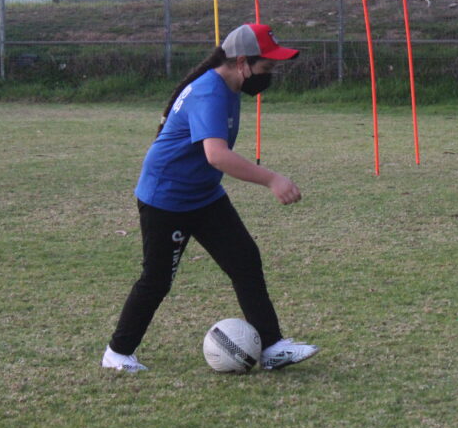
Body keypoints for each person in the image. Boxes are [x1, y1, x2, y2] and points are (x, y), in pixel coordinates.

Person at [101, 23, 318, 373]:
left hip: (203, 195)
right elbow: (216, 155)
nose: (270, 75)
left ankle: (273, 346)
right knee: (157, 280)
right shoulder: (211, 92)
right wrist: (272, 179)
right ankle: (117, 352)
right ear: (243, 62)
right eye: (267, 68)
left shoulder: (229, 87)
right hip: (166, 199)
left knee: (244, 259)